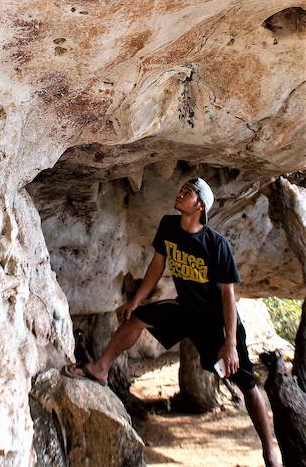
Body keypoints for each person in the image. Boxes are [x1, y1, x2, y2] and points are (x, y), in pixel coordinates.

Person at [62, 177, 280, 467]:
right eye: (182, 190)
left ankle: (269, 450)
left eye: (187, 193)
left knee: (247, 383)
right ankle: (101, 369)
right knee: (137, 319)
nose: (180, 194)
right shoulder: (168, 226)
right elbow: (157, 264)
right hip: (185, 311)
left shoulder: (217, 245)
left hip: (217, 323)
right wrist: (137, 300)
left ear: (200, 205)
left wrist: (230, 343)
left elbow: (228, 295)